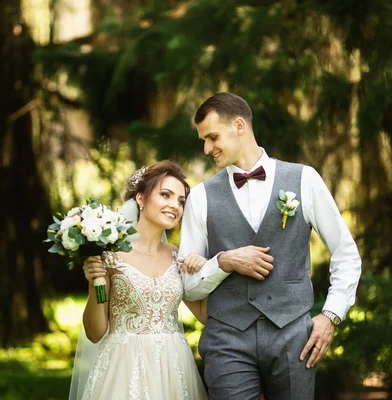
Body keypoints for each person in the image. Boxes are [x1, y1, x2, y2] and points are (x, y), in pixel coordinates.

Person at [179, 92, 362, 400]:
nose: (207, 148)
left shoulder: (304, 179)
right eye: (203, 141)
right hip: (227, 339)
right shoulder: (200, 197)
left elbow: (346, 254)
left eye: (212, 137)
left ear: (239, 125)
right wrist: (223, 261)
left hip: (293, 337)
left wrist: (330, 315)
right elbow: (187, 285)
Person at [69, 160, 208, 400]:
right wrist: (95, 283)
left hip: (173, 370)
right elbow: (95, 333)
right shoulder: (111, 255)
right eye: (165, 195)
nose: (174, 205)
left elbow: (205, 315)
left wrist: (209, 269)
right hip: (123, 369)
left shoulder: (178, 255)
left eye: (180, 201)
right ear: (141, 199)